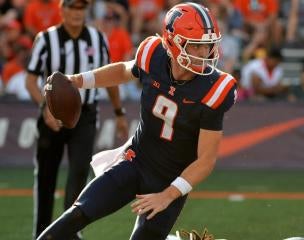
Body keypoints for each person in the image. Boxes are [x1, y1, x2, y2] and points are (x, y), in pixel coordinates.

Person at [36, 2, 237, 240]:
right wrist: (79, 80)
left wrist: (169, 194)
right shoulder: (152, 53)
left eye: (207, 46)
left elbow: (206, 160)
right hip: (135, 161)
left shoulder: (216, 88)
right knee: (77, 215)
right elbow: (124, 70)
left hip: (169, 180)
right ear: (173, 42)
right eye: (195, 46)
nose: (204, 55)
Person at [25, 0, 128, 239]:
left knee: (79, 172)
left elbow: (110, 76)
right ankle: (40, 233)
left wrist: (119, 112)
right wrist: (44, 108)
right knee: (46, 176)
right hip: (52, 115)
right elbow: (31, 79)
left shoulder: (97, 38)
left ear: (86, 11)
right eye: (72, 7)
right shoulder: (46, 38)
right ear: (62, 10)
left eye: (81, 8)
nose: (76, 13)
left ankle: (71, 233)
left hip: (85, 114)